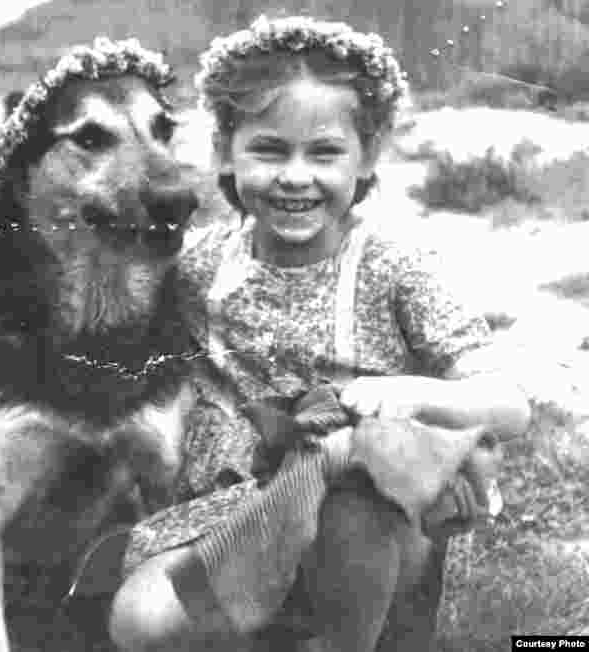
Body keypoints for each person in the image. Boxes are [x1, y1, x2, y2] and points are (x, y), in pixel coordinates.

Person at [108, 16, 531, 652]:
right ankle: (274, 626)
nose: (296, 176)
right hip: (246, 505)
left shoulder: (394, 265)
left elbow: (511, 405)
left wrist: (414, 392)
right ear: (224, 149)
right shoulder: (199, 267)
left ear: (367, 155)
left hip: (374, 513)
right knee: (139, 622)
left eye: (325, 152)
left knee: (350, 522)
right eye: (270, 150)